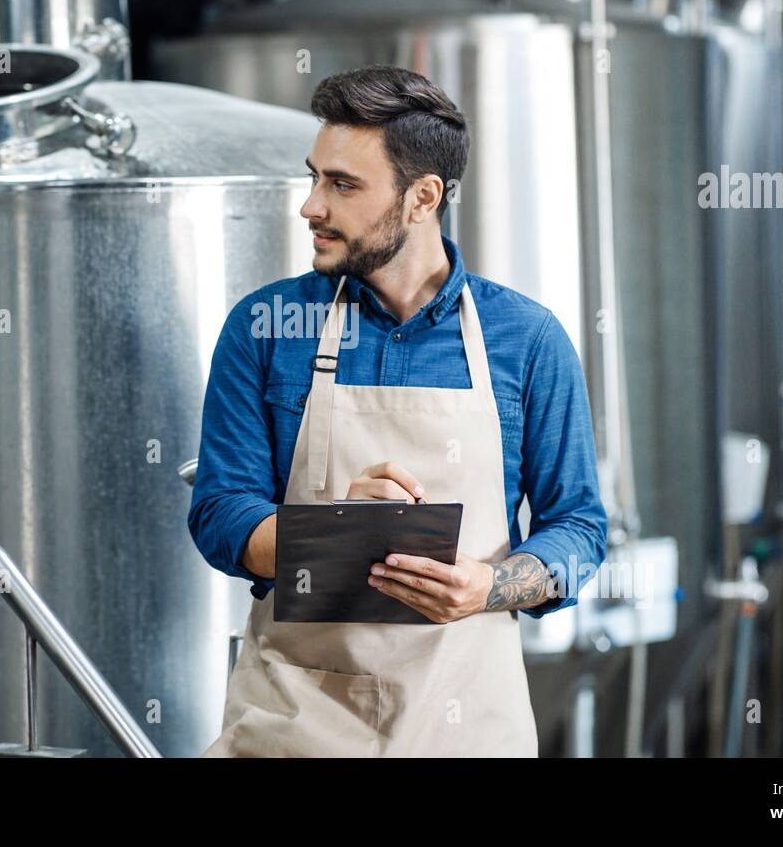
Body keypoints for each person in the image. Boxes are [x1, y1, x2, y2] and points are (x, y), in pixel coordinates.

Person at [188, 64, 606, 756]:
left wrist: (490, 586)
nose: (311, 206)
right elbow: (220, 512)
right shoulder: (264, 325)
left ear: (423, 198)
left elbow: (580, 528)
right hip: (296, 723)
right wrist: (338, 535)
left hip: (467, 723)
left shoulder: (526, 340)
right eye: (314, 176)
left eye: (342, 185)